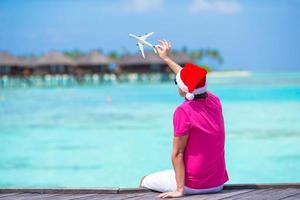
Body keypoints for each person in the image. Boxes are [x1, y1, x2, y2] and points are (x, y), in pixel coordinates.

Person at [139, 40, 229, 198]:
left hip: (193, 185)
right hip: (217, 184)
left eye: (176, 82)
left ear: (183, 89)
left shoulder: (183, 111)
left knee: (144, 180)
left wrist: (180, 190)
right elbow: (190, 79)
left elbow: (177, 153)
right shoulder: (215, 101)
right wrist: (166, 58)